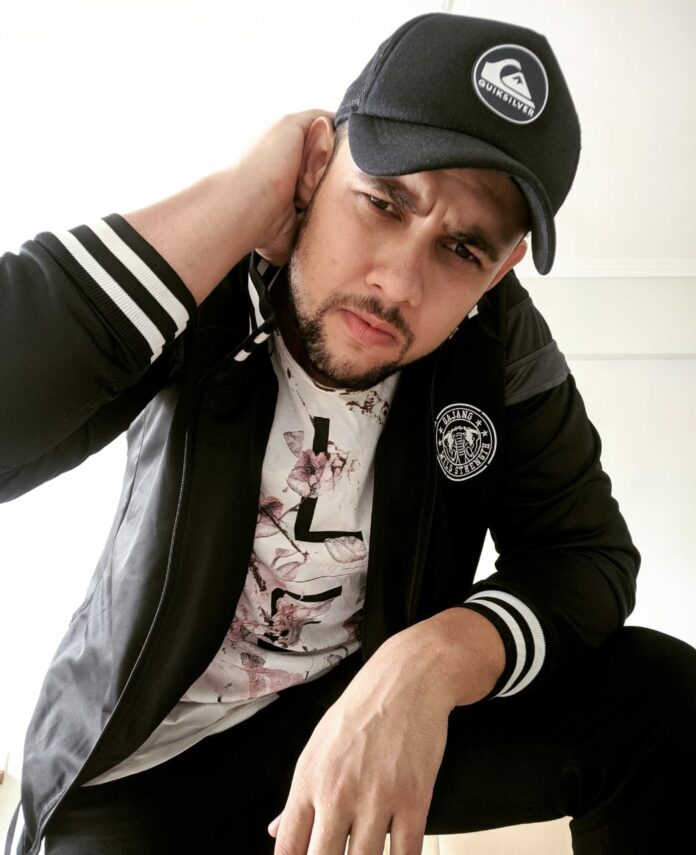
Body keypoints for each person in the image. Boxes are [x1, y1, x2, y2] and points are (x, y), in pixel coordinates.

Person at [2, 11, 695, 855]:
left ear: (502, 267)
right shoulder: (211, 273)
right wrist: (244, 195)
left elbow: (587, 556)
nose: (398, 282)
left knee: (663, 696)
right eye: (383, 202)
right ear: (319, 164)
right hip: (145, 762)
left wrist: (427, 663)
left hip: (358, 709)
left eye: (462, 250)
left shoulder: (499, 343)